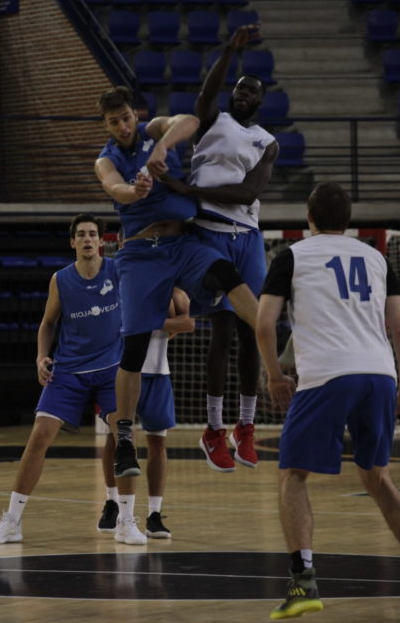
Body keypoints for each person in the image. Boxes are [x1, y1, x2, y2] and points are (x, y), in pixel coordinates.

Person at [255, 183, 400, 620]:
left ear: (309, 216)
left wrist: (273, 375)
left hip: (328, 373)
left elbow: (264, 323)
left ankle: (302, 582)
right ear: (348, 219)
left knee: (292, 475)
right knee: (378, 478)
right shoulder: (377, 257)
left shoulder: (294, 256)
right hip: (379, 375)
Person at [93, 86, 259, 482]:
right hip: (139, 254)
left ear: (136, 114)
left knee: (227, 276)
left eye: (126, 117)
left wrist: (162, 147)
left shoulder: (152, 131)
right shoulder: (106, 159)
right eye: (114, 122)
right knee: (133, 348)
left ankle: (273, 350)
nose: (122, 126)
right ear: (106, 125)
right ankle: (126, 438)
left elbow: (190, 121)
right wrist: (135, 191)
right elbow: (113, 186)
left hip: (182, 243)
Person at [160, 24, 279, 472]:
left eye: (251, 92)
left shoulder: (267, 141)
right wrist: (228, 50)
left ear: (261, 102)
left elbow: (249, 193)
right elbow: (203, 97)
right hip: (207, 233)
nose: (243, 95)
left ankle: (246, 427)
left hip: (246, 237)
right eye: (239, 89)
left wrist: (190, 191)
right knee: (223, 334)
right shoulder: (212, 120)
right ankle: (213, 429)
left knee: (252, 333)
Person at [0, 214, 123, 545]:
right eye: (81, 235)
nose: (88, 239)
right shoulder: (61, 279)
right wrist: (40, 357)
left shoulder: (118, 271)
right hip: (69, 368)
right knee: (39, 435)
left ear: (101, 241)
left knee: (123, 435)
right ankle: (12, 521)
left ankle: (123, 514)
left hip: (111, 366)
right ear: (72, 242)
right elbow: (47, 324)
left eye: (93, 234)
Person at [97, 288, 196, 543]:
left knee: (157, 441)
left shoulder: (172, 289)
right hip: (120, 370)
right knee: (116, 438)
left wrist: (149, 321)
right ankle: (112, 502)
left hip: (158, 373)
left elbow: (187, 323)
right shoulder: (118, 285)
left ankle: (154, 514)